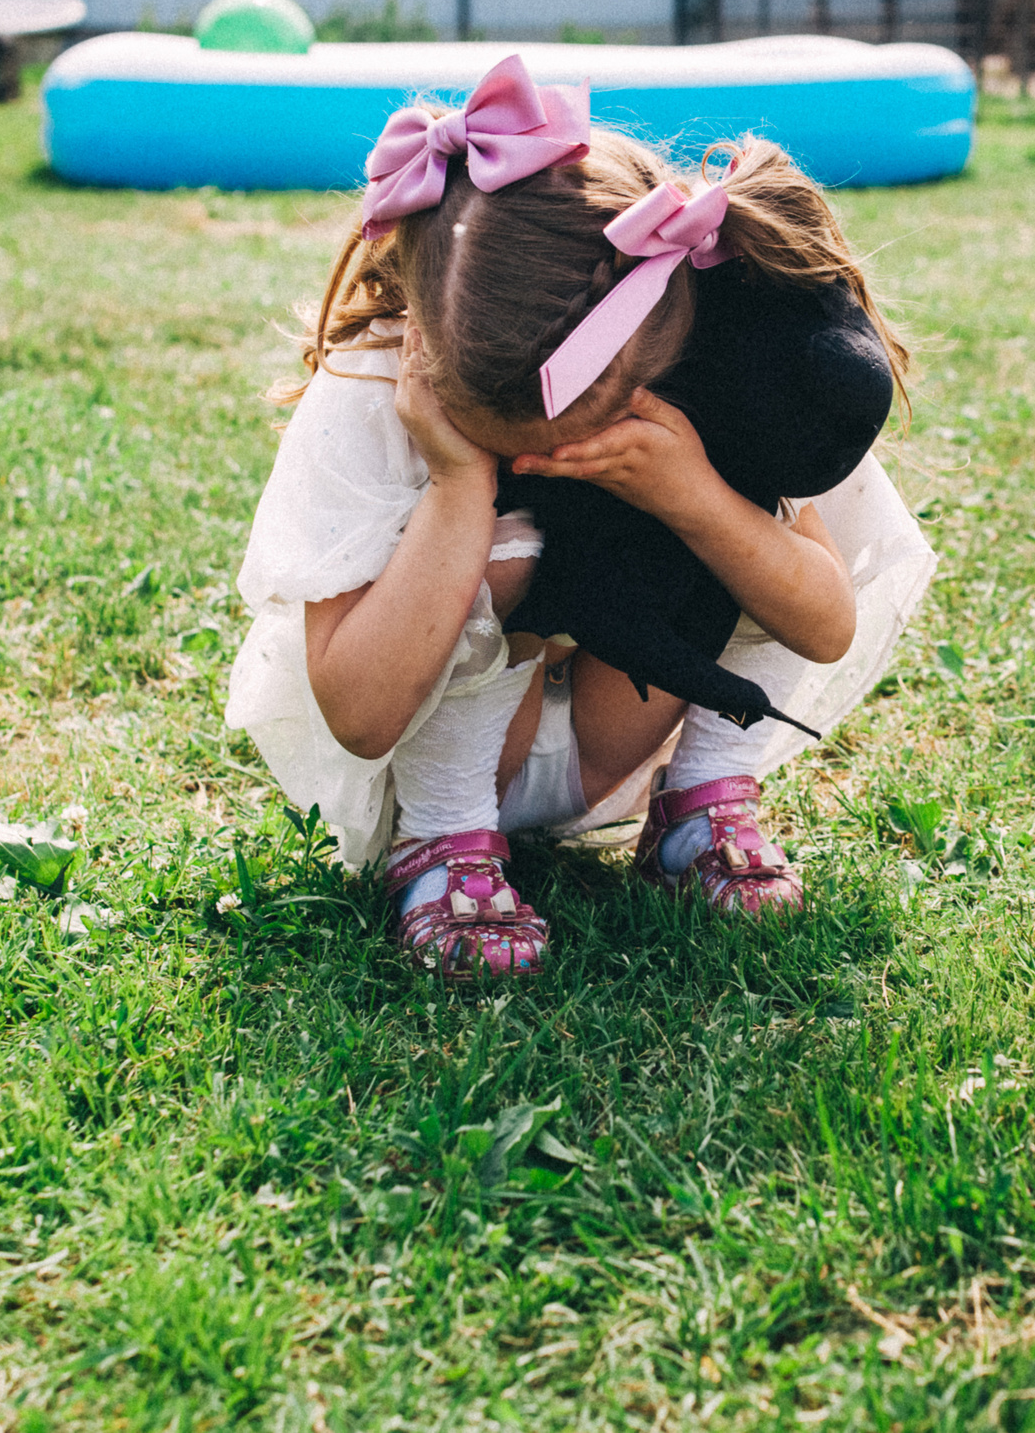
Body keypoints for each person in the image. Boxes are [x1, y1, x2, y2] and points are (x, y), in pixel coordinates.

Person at [226, 55, 935, 978]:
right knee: (510, 549)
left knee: (740, 535)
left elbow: (822, 619)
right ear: (436, 372)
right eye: (524, 445)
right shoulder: (373, 386)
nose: (560, 461)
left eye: (609, 418)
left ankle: (704, 801)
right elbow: (359, 717)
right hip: (440, 763)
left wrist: (694, 495)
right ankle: (443, 848)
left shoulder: (692, 358)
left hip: (610, 747)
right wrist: (458, 489)